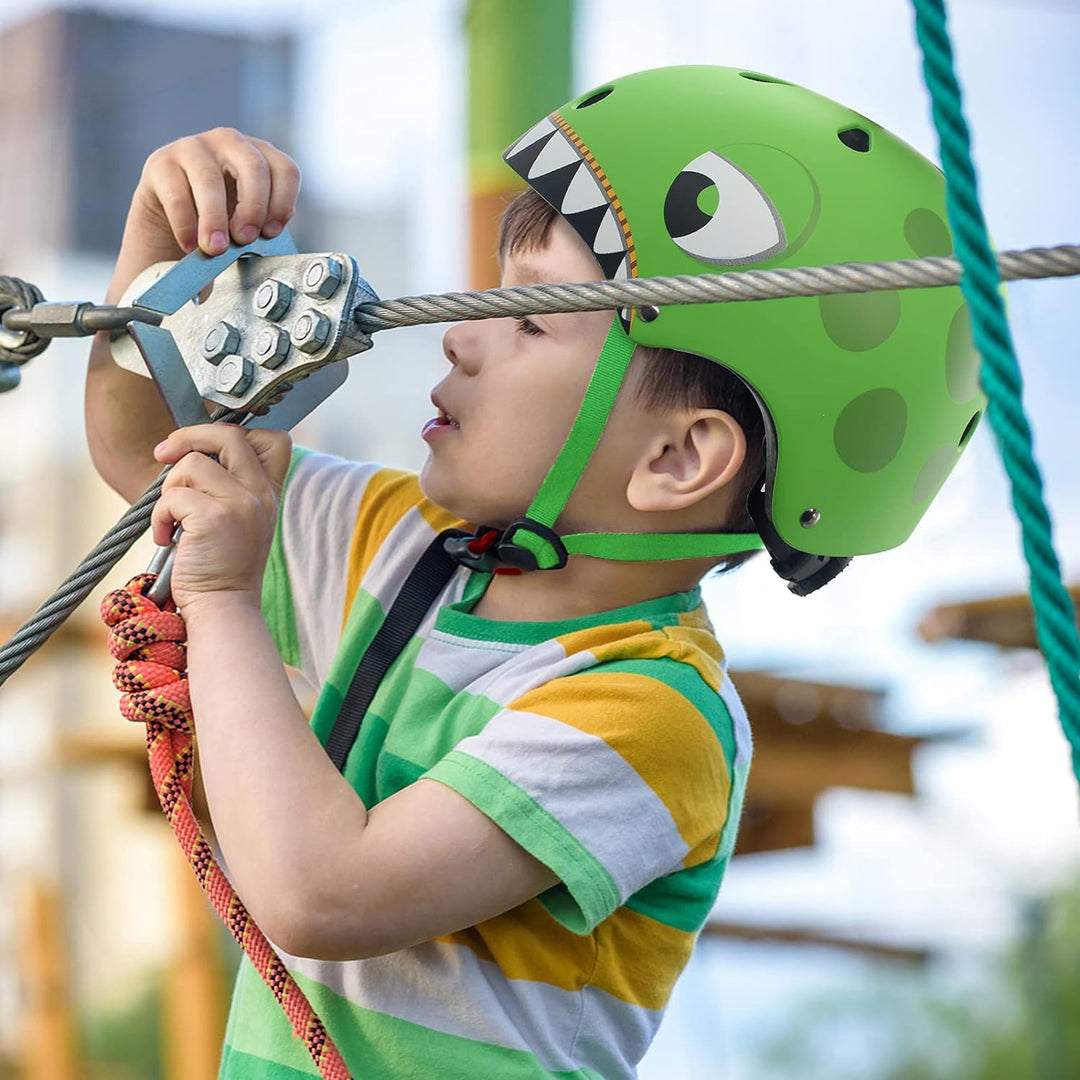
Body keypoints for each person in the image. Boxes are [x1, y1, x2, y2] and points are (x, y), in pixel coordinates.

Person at [85, 66, 983, 1079]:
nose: (460, 338)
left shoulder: (652, 711)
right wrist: (151, 263)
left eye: (528, 320)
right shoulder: (399, 538)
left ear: (676, 461)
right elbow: (146, 454)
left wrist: (220, 601)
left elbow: (324, 894)